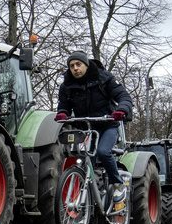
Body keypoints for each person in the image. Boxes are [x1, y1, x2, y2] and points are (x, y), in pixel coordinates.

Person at [55, 51, 132, 200]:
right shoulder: (67, 86)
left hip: (107, 125)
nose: (75, 68)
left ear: (86, 64)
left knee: (103, 152)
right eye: (72, 66)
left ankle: (118, 184)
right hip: (85, 128)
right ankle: (92, 195)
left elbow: (124, 97)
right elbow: (63, 105)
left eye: (78, 64)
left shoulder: (104, 78)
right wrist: (62, 113)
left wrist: (121, 109)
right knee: (83, 159)